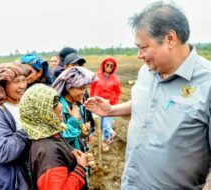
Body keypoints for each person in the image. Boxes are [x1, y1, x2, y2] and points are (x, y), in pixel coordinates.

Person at [84, 1, 211, 189]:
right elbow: (144, 103)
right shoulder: (146, 72)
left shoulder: (206, 84)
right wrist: (111, 110)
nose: (139, 55)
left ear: (170, 39)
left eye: (143, 48)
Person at [19, 83, 95, 190]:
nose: (61, 106)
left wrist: (79, 160)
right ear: (42, 113)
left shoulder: (50, 135)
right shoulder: (48, 154)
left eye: (58, 101)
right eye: (54, 104)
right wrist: (80, 168)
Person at [52, 67, 97, 152]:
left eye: (85, 88)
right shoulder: (58, 108)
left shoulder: (78, 104)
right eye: (81, 88)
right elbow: (59, 140)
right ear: (69, 88)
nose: (84, 92)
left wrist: (84, 132)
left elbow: (78, 132)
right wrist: (74, 121)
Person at [90, 57, 121, 151]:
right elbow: (92, 88)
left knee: (106, 125)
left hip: (109, 106)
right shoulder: (97, 76)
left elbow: (118, 92)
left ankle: (104, 142)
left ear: (113, 67)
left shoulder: (115, 79)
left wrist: (113, 103)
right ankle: (111, 133)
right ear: (104, 65)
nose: (109, 67)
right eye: (107, 64)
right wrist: (92, 99)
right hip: (97, 104)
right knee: (99, 125)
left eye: (111, 65)